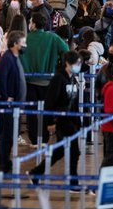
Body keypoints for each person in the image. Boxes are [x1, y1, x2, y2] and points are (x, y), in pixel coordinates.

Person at [28, 51, 83, 188]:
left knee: (59, 151)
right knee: (74, 150)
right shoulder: (58, 79)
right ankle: (73, 182)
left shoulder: (73, 78)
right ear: (67, 63)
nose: (78, 66)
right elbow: (49, 102)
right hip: (61, 120)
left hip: (71, 119)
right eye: (76, 63)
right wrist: (50, 122)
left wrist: (79, 121)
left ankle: (36, 172)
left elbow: (74, 101)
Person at [21, 12, 69, 146]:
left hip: (29, 80)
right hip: (49, 80)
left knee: (31, 111)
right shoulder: (53, 38)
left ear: (33, 23)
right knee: (47, 110)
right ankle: (44, 138)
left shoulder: (25, 39)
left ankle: (34, 139)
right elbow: (66, 51)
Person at [0, 31, 27, 173]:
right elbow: (1, 79)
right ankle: (3, 163)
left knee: (11, 134)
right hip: (8, 105)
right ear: (15, 44)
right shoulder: (7, 58)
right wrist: (6, 98)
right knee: (8, 134)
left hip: (15, 104)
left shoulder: (14, 57)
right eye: (23, 43)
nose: (25, 45)